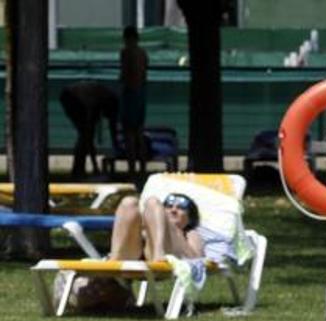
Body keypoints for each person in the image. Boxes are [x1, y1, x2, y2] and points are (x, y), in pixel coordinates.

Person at [107, 192, 233, 264]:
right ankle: (115, 256)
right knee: (129, 202)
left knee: (152, 202)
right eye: (168, 206)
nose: (173, 210)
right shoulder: (147, 227)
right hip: (136, 255)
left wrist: (176, 233)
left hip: (171, 256)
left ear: (190, 218)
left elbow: (197, 260)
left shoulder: (190, 234)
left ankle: (159, 253)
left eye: (181, 208)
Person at [59, 81, 119, 180]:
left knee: (84, 136)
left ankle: (78, 170)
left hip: (75, 97)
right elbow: (89, 137)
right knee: (85, 135)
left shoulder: (105, 100)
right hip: (71, 97)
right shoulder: (97, 102)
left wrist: (116, 146)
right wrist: (95, 166)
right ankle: (78, 170)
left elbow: (112, 126)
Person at [119, 25, 148, 175]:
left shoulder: (126, 53)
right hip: (141, 93)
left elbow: (124, 74)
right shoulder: (143, 53)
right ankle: (142, 168)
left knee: (129, 134)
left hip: (131, 94)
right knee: (139, 132)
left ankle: (132, 169)